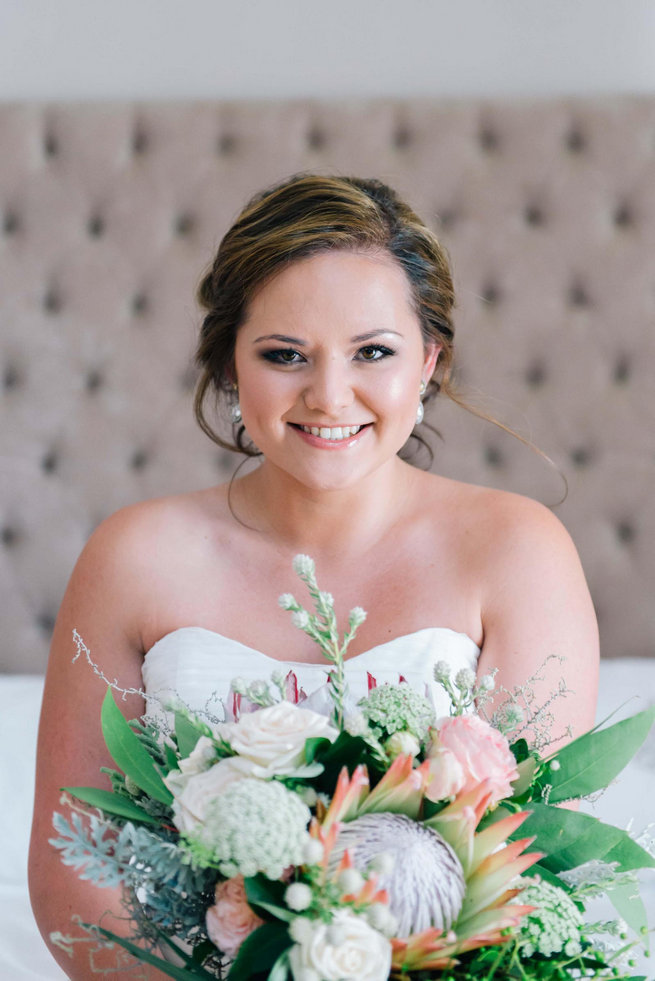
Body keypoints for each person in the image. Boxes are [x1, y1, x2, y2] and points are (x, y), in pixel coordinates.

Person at [29, 173, 599, 978]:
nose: (329, 396)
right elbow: (74, 874)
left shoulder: (515, 548)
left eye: (373, 351)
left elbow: (527, 864)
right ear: (230, 362)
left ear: (429, 361)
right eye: (284, 354)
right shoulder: (133, 556)